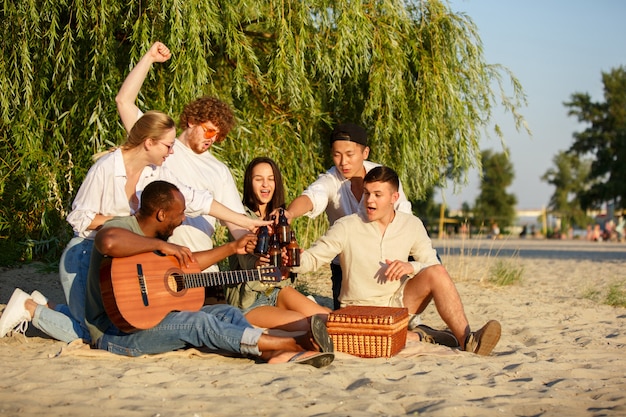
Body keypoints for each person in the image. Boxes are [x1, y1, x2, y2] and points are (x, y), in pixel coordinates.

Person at [85, 180, 334, 367]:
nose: (183, 219)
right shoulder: (124, 227)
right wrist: (162, 246)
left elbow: (188, 267)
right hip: (117, 333)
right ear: (161, 214)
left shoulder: (159, 240)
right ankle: (292, 343)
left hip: (150, 319)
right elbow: (107, 241)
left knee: (226, 312)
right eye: (179, 214)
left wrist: (232, 248)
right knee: (198, 322)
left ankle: (270, 352)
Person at [292, 166, 502, 355]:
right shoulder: (346, 226)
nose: (369, 200)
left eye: (377, 194)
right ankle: (422, 335)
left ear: (394, 197)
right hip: (360, 310)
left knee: (437, 273)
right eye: (366, 193)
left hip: (399, 303)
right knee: (373, 339)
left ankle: (468, 341)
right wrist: (292, 258)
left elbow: (432, 264)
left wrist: (412, 266)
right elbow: (312, 260)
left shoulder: (412, 224)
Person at [115, 42, 249, 271]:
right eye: (209, 131)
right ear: (191, 121)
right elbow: (123, 102)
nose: (213, 139)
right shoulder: (159, 147)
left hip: (202, 266)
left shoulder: (219, 170)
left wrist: (256, 242)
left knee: (223, 309)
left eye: (219, 135)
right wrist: (149, 58)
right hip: (155, 263)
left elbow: (237, 223)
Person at [282, 123, 412, 310]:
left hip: (386, 259)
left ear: (365, 152)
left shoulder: (384, 178)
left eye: (350, 155)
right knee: (349, 316)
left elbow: (404, 217)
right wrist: (290, 214)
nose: (343, 162)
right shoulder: (331, 180)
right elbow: (311, 197)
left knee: (429, 263)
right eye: (337, 155)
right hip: (348, 267)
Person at [226, 157, 331, 332]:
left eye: (270, 179)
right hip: (250, 299)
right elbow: (247, 262)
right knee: (304, 324)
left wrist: (289, 262)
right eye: (258, 179)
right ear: (249, 183)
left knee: (326, 318)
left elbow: (287, 272)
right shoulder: (239, 219)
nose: (265, 185)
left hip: (278, 290)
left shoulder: (279, 219)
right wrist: (261, 262)